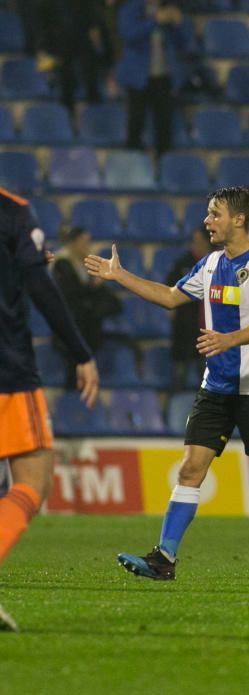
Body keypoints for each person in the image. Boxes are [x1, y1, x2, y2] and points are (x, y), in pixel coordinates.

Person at [85, 186, 249, 584]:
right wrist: (119, 275)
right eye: (208, 214)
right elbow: (169, 297)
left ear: (239, 218)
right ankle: (163, 557)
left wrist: (228, 339)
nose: (207, 221)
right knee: (190, 469)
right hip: (215, 388)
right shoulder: (210, 264)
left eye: (215, 214)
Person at [0, 187, 99, 631]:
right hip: (8, 370)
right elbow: (40, 282)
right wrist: (80, 352)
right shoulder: (12, 211)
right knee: (34, 479)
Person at [52, 226, 122, 387]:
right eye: (85, 242)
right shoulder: (62, 264)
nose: (88, 246)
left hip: (88, 329)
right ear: (74, 243)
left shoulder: (86, 265)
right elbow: (72, 295)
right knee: (74, 377)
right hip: (71, 329)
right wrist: (94, 286)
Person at [116, 0, 186, 155]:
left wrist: (176, 24)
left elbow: (181, 44)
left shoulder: (168, 10)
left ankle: (164, 167)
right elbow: (128, 35)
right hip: (137, 78)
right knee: (135, 123)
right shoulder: (130, 9)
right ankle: (133, 165)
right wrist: (155, 21)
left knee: (164, 126)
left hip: (163, 77)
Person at [165, 227, 215, 391]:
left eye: (200, 241)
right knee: (178, 378)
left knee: (208, 382)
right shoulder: (183, 264)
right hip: (184, 331)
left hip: (209, 333)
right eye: (194, 242)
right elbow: (168, 290)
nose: (196, 245)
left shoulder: (219, 263)